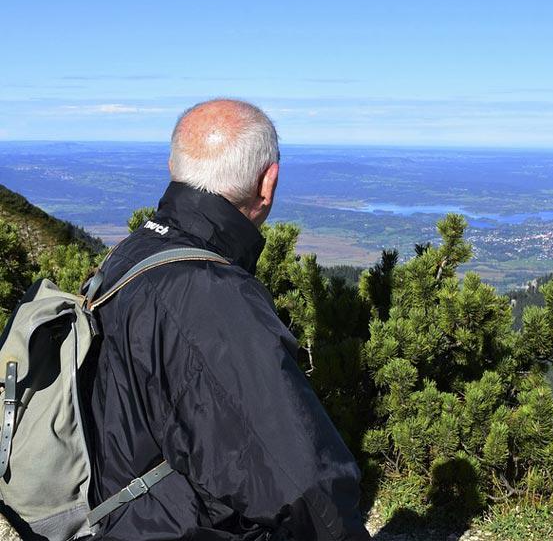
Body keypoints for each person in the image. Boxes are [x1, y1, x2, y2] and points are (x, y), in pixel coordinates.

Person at [85, 99, 371, 540]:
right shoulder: (211, 297)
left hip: (120, 515)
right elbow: (304, 488)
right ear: (268, 183)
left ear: (173, 166)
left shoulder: (134, 252)